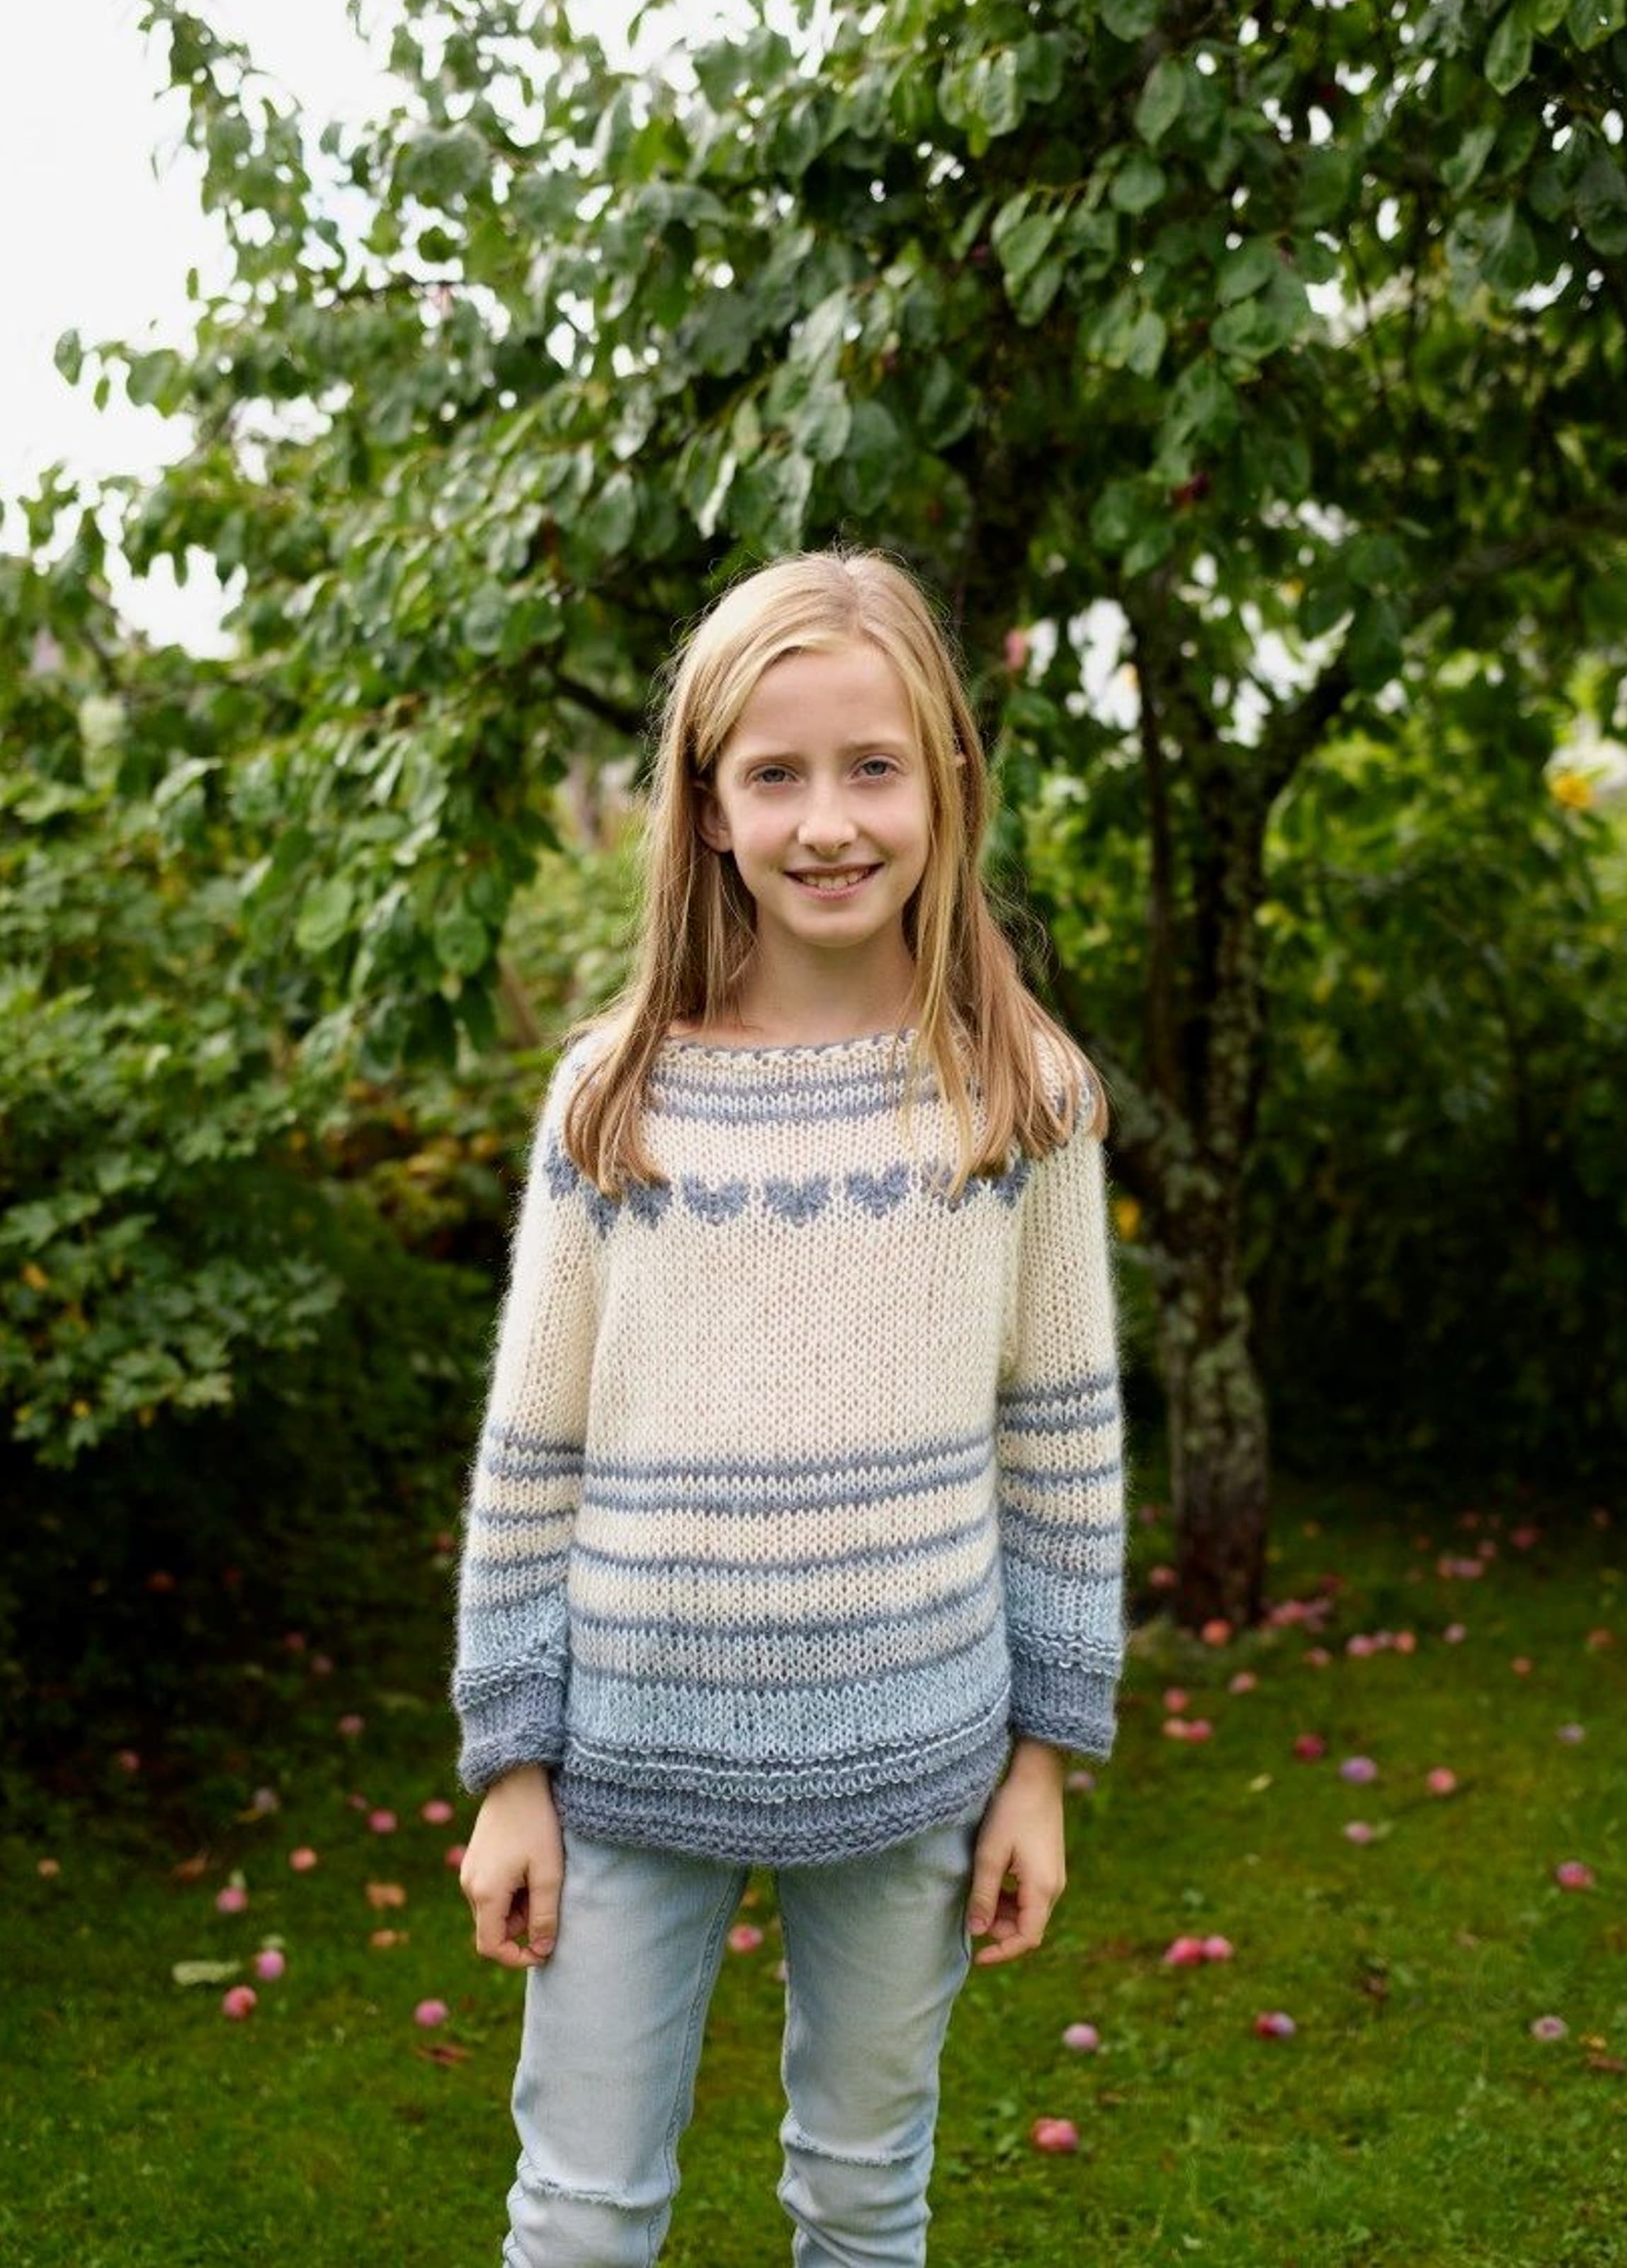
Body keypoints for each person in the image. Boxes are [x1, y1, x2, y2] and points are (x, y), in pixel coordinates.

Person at [453, 545, 1126, 2268]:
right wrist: (510, 1767)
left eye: (871, 767)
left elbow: (1059, 1458)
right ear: (707, 806)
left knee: (860, 2196)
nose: (827, 822)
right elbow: (532, 1456)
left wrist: (1041, 1766)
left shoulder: (1021, 1098)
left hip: (920, 1760)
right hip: (624, 1765)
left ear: (947, 783)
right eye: (775, 775)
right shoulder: (614, 1099)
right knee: (580, 2218)